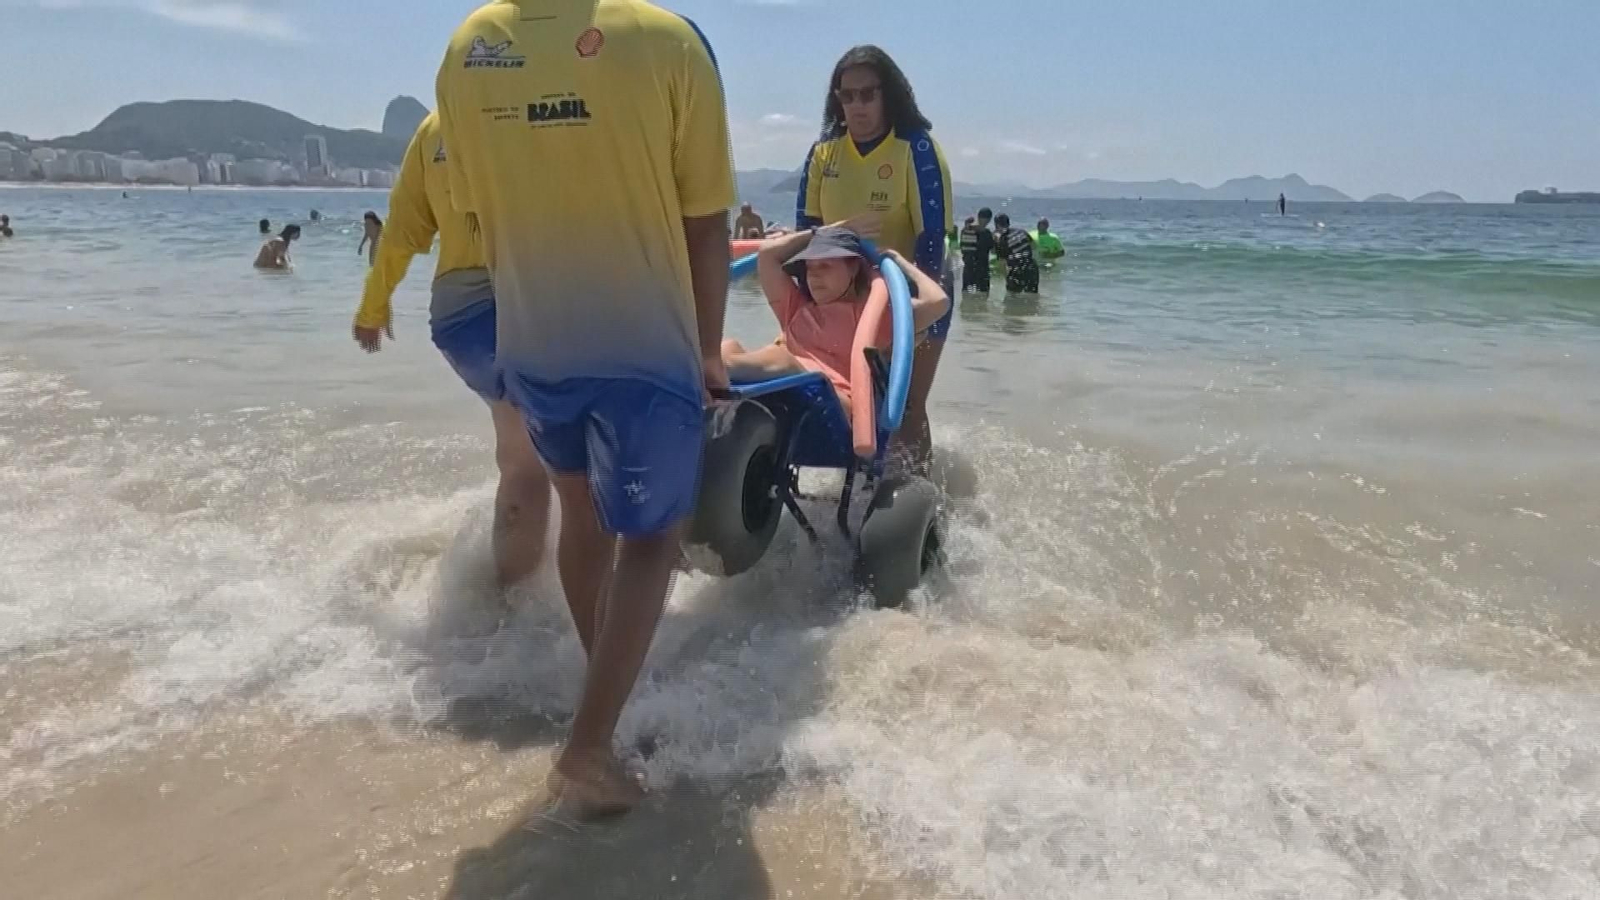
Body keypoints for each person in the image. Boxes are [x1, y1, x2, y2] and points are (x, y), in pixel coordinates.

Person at [436, 0, 735, 818]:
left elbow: (471, 199)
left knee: (581, 514)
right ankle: (589, 748)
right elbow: (705, 224)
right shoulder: (670, 39)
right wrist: (709, 350)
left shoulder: (468, 47)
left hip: (531, 339)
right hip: (642, 341)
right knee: (653, 536)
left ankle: (602, 687)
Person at [351, 112, 552, 592]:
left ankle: (509, 616)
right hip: (547, 297)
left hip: (463, 317)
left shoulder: (436, 125)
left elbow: (402, 230)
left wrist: (373, 307)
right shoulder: (564, 97)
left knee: (522, 462)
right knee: (595, 451)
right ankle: (587, 626)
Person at [795, 44, 953, 472]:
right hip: (846, 291)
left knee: (904, 403)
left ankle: (918, 494)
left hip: (914, 287)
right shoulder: (823, 153)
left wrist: (910, 316)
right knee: (847, 394)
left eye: (869, 94)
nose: (858, 106)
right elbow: (802, 237)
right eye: (848, 96)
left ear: (889, 95)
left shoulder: (916, 149)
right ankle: (862, 476)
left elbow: (932, 239)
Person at [723, 221, 948, 418]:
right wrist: (823, 231)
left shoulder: (873, 316)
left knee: (784, 360)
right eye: (809, 268)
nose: (815, 275)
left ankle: (705, 372)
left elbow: (938, 302)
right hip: (781, 389)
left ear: (853, 268)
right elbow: (768, 254)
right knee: (727, 346)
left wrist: (897, 263)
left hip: (834, 404)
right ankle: (710, 373)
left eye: (825, 265)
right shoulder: (795, 307)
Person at [991, 213, 1039, 294]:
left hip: (1017, 270)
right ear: (1008, 223)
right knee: (1032, 296)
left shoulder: (1001, 240)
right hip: (1032, 267)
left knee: (1011, 298)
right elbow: (1034, 246)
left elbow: (1002, 263)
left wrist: (1007, 279)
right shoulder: (1021, 231)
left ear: (997, 225)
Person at [959, 208, 994, 294]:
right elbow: (993, 250)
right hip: (982, 269)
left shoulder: (965, 231)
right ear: (989, 219)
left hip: (968, 269)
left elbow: (963, 248)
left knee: (966, 296)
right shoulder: (987, 233)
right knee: (983, 296)